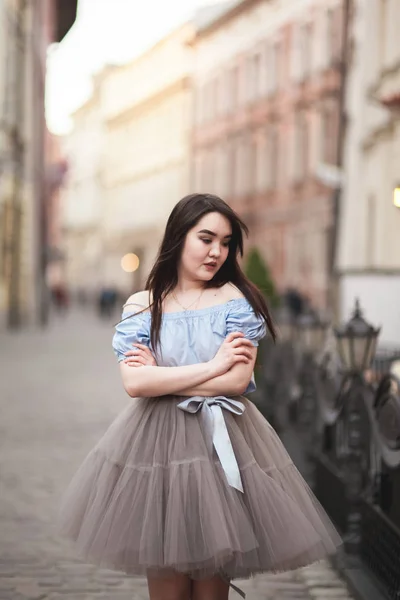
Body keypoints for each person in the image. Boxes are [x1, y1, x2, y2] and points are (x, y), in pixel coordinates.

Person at [59, 194, 341, 600]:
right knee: (168, 585)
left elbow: (236, 382)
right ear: (179, 236)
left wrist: (165, 376)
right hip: (154, 448)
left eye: (225, 243)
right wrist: (213, 366)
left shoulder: (235, 302)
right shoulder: (143, 304)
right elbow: (135, 385)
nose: (216, 252)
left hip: (223, 440)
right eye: (206, 238)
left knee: (211, 589)